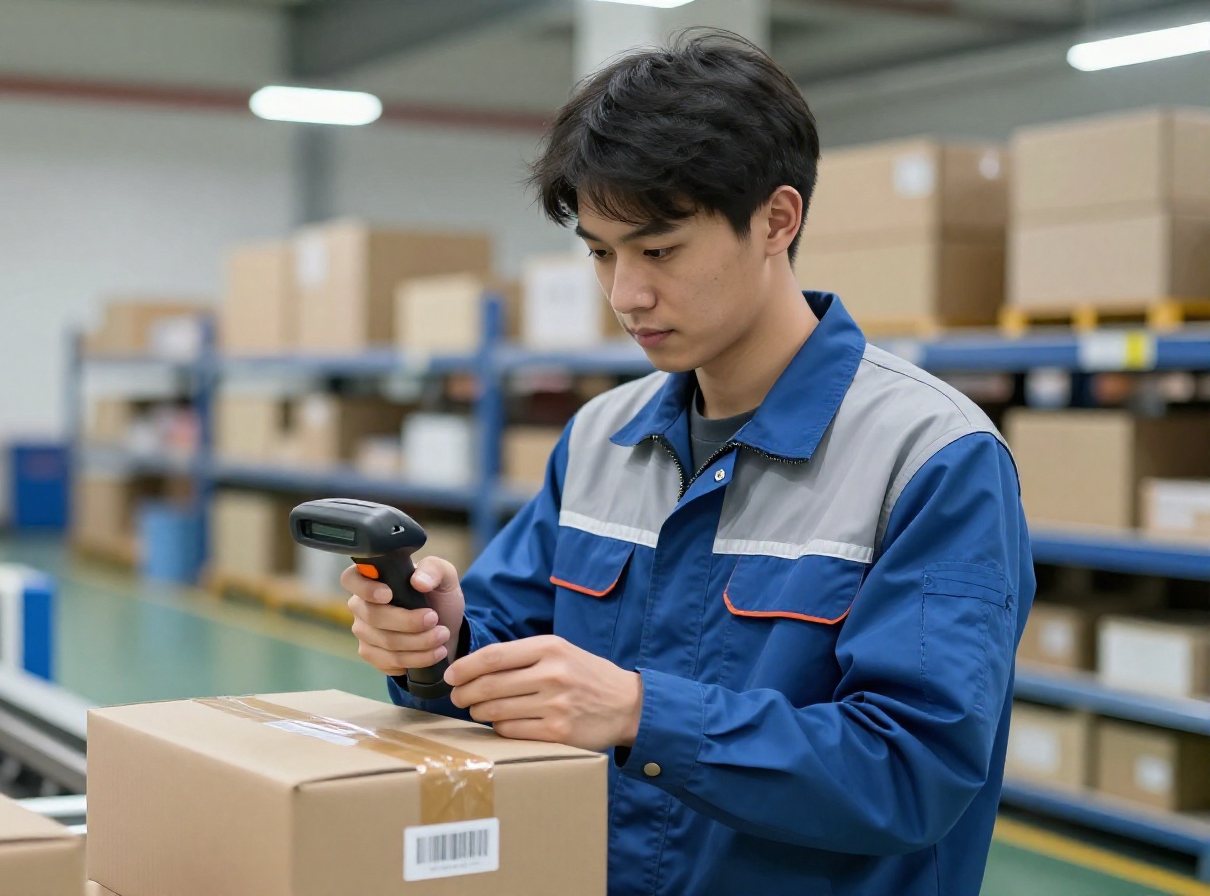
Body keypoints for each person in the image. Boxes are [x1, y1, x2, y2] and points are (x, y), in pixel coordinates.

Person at [342, 31, 1032, 896]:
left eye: (659, 250)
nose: (626, 294)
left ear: (778, 220)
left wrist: (639, 714)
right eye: (600, 252)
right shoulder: (603, 436)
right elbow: (507, 652)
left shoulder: (932, 458)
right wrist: (440, 642)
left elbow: (914, 770)